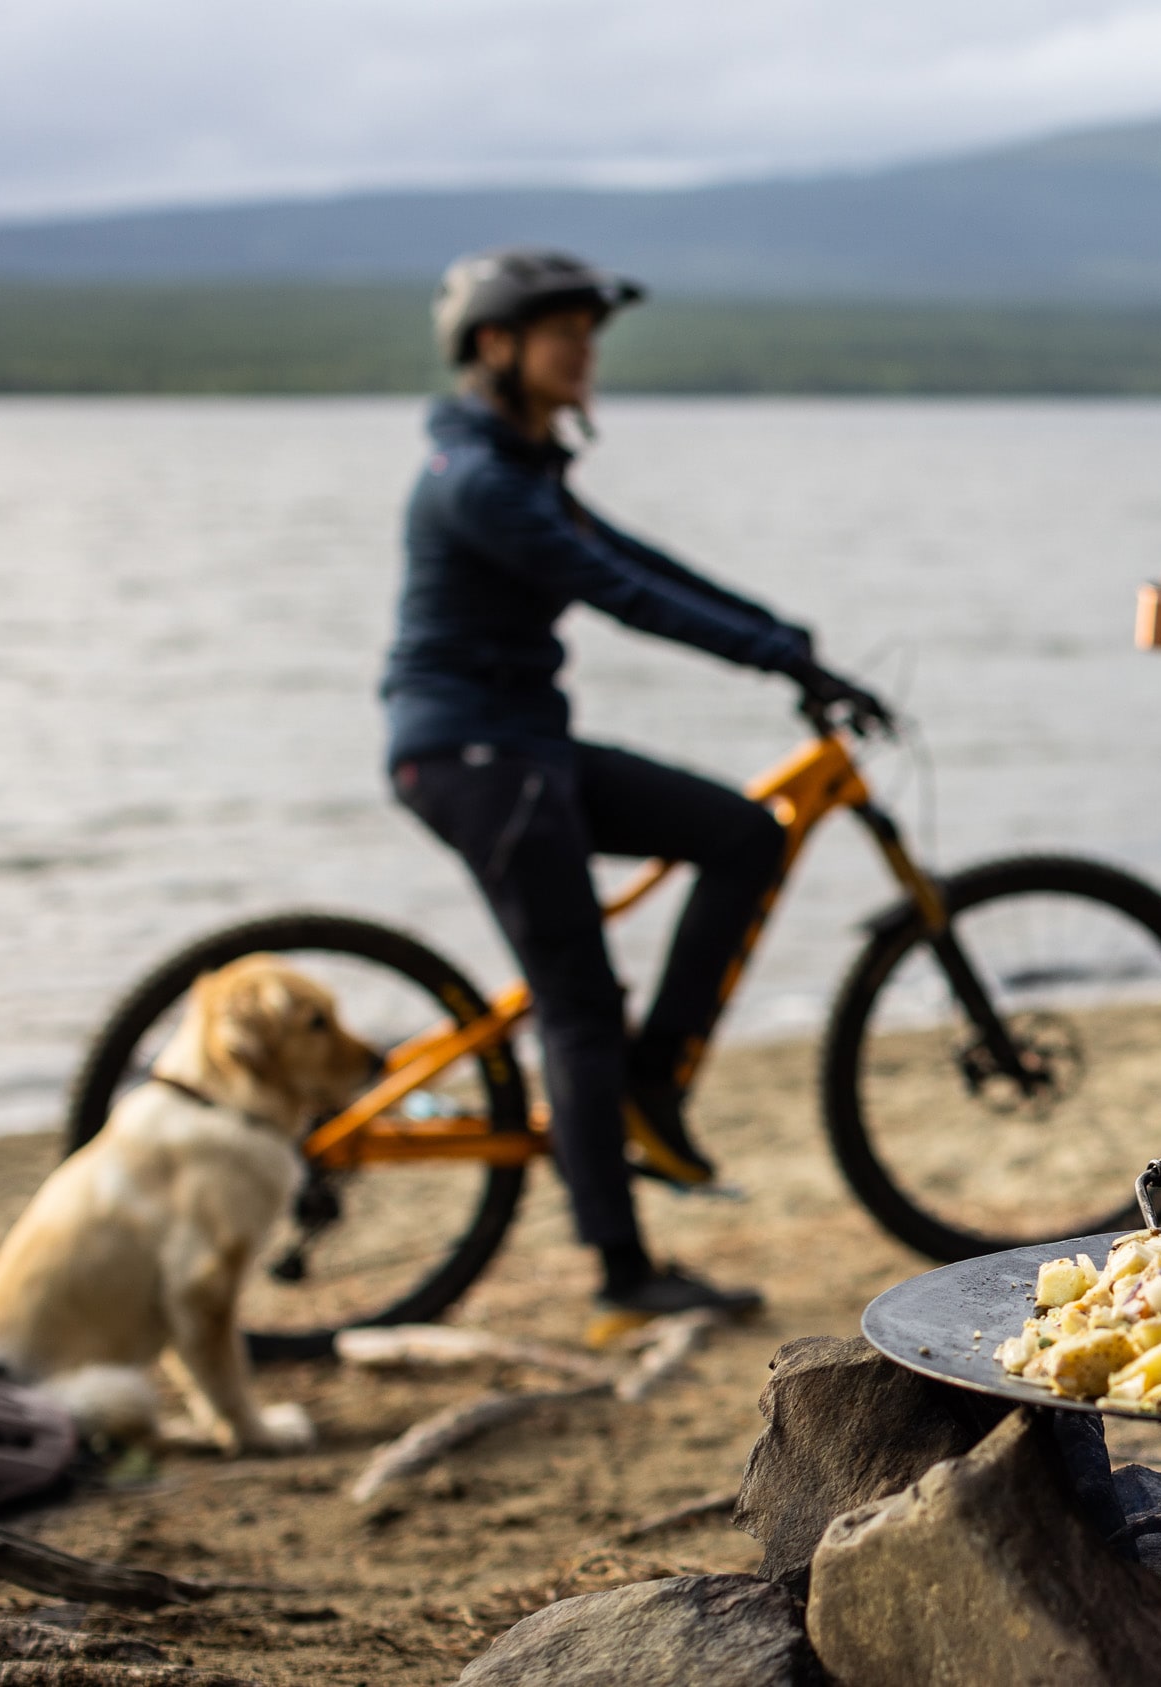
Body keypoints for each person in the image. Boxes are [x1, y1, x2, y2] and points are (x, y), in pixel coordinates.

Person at [384, 248, 892, 1319]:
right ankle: (622, 1276)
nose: (584, 351)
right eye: (562, 331)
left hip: (522, 746)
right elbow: (619, 593)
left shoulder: (520, 467)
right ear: (494, 346)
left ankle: (651, 1087)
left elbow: (643, 559)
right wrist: (770, 656)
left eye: (588, 332)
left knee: (745, 834)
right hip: (476, 756)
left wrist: (782, 636)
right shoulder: (481, 483)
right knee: (577, 1006)